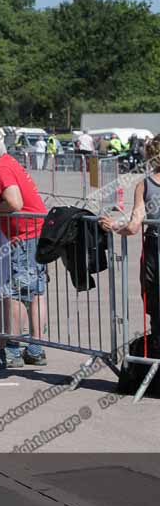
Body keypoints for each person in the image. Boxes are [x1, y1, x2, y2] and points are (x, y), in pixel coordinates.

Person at [0, 131, 48, 368]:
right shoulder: (2, 165)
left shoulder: (1, 170)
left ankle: (12, 351)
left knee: (16, 292)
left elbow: (14, 203)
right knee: (35, 292)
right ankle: (35, 349)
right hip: (32, 232)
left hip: (25, 236)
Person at [100, 136, 160, 356]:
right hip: (154, 251)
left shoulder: (145, 184)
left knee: (155, 305)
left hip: (155, 250)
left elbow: (134, 226)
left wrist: (114, 225)